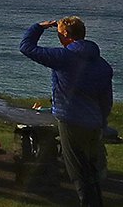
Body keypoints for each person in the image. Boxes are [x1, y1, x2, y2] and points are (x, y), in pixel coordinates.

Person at [21, 16, 113, 207]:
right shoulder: (102, 64)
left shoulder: (65, 57)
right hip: (94, 124)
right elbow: (106, 100)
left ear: (65, 35)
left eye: (59, 34)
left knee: (78, 172)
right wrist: (102, 121)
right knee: (90, 170)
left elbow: (27, 47)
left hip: (71, 121)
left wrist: (38, 27)